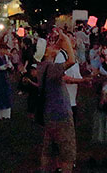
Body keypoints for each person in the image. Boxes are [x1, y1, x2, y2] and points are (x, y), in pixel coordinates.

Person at [38, 30, 77, 173]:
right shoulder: (52, 69)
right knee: (67, 155)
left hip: (49, 115)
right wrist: (66, 40)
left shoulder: (42, 67)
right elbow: (72, 61)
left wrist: (59, 45)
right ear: (46, 53)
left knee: (48, 150)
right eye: (49, 46)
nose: (52, 45)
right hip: (61, 115)